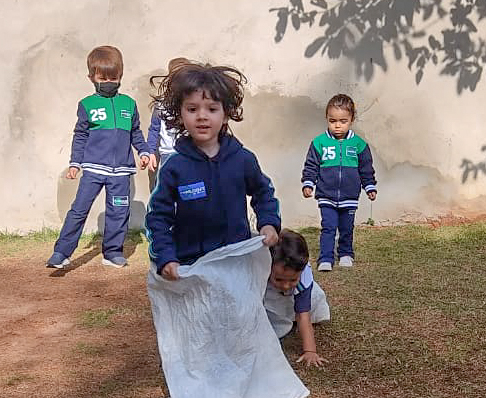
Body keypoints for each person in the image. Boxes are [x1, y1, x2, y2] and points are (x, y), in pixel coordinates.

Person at [145, 62, 280, 279]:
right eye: (192, 109)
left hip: (236, 264)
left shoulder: (243, 159)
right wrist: (166, 256)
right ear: (180, 115)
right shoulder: (173, 167)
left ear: (226, 114)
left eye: (212, 108)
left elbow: (264, 193)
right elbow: (158, 216)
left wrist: (269, 223)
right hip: (191, 268)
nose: (202, 116)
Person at [46, 45, 155, 269]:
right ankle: (62, 252)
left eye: (113, 78)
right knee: (79, 210)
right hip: (94, 170)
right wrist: (75, 163)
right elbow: (80, 135)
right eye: (102, 78)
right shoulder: (87, 105)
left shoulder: (129, 104)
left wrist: (143, 151)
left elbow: (136, 132)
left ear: (120, 77)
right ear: (92, 77)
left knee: (118, 212)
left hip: (122, 172)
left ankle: (112, 252)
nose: (108, 82)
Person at [301, 93, 377, 271]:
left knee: (346, 228)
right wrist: (308, 183)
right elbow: (311, 165)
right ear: (327, 119)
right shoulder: (319, 143)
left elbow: (366, 168)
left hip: (349, 196)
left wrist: (369, 186)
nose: (337, 125)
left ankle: (345, 254)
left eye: (343, 121)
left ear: (351, 120)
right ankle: (326, 258)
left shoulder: (359, 145)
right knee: (328, 227)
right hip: (326, 195)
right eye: (332, 120)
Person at [265, 229, 330, 367]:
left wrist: (310, 351)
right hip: (270, 295)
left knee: (311, 309)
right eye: (279, 279)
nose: (286, 285)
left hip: (298, 297)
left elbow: (303, 315)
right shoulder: (261, 270)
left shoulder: (303, 281)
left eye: (292, 280)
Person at [146, 57, 189, 181]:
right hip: (168, 154)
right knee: (165, 192)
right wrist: (150, 152)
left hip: (190, 155)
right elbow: (154, 129)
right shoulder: (161, 104)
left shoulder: (195, 104)